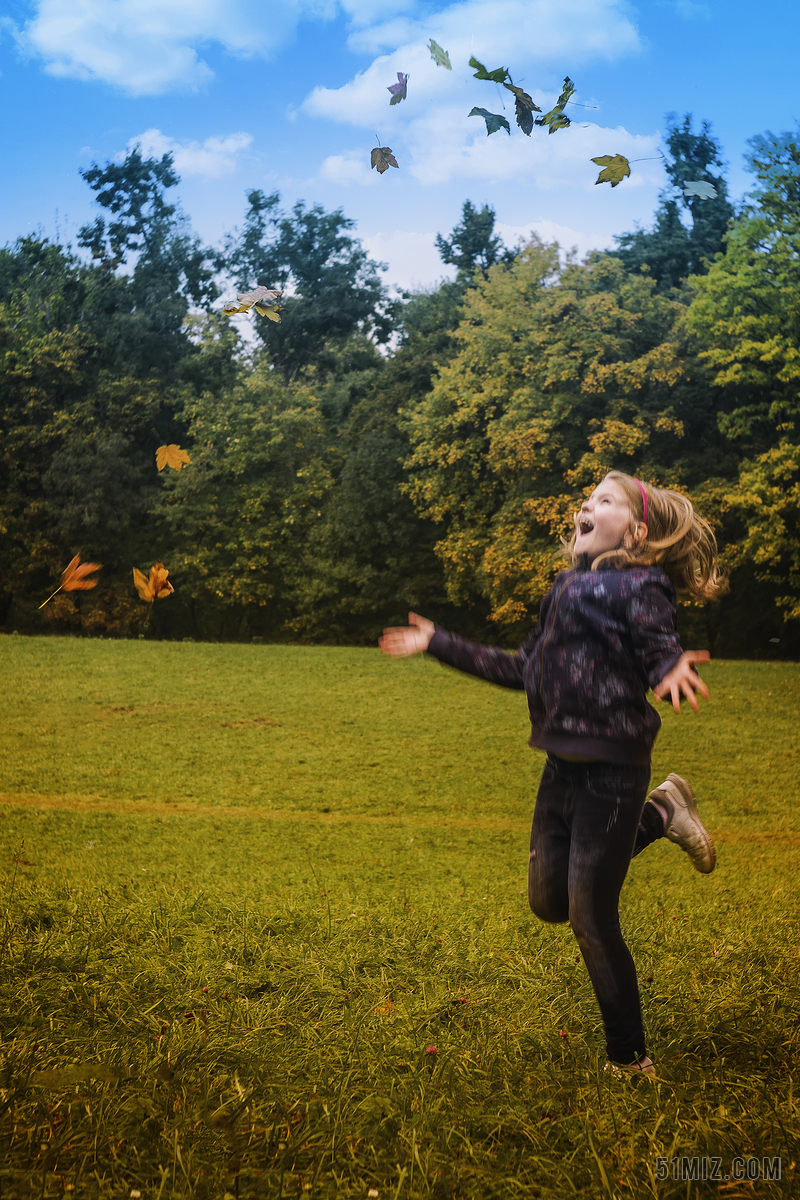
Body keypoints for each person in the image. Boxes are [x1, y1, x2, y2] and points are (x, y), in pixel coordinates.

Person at [379, 471, 727, 1081]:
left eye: (604, 500)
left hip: (615, 770)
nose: (586, 506)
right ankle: (664, 813)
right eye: (587, 499)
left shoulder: (641, 586)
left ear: (638, 531)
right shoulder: (564, 589)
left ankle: (630, 1059)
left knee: (593, 918)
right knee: (548, 902)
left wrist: (670, 666)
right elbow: (520, 669)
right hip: (561, 768)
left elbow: (657, 641)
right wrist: (437, 642)